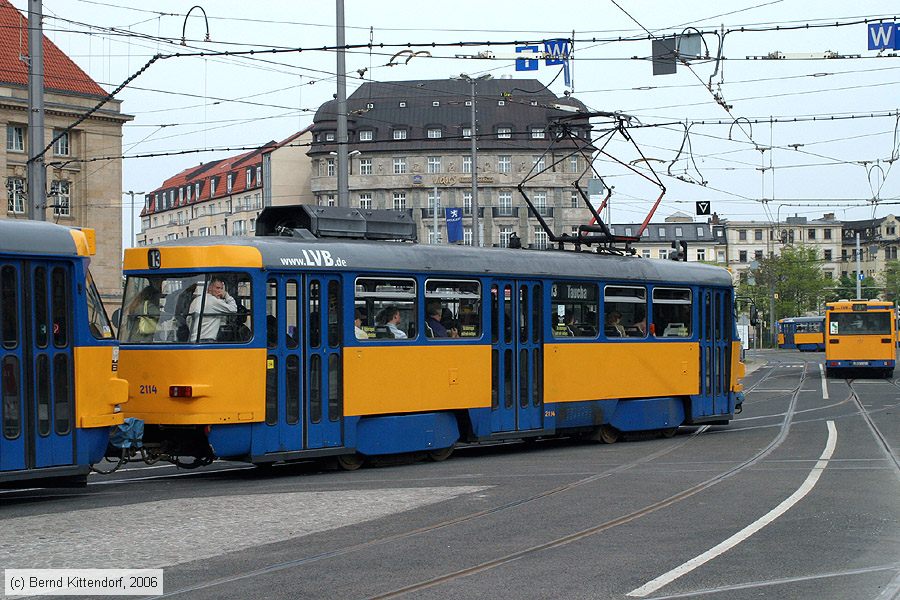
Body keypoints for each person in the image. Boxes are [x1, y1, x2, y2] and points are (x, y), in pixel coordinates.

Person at [189, 276, 237, 342]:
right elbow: (233, 309)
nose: (219, 291)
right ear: (210, 287)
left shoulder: (196, 300)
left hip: (193, 339)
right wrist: (226, 295)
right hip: (206, 340)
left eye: (221, 289)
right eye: (217, 288)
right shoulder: (213, 300)